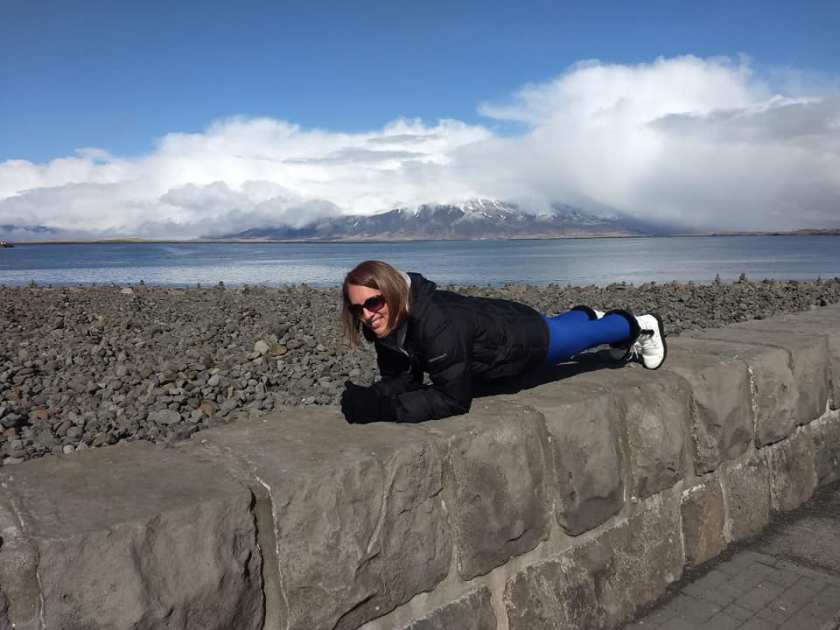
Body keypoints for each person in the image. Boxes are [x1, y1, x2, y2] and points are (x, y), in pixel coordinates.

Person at [340, 260, 666, 424]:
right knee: (565, 329)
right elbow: (404, 377)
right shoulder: (388, 321)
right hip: (502, 321)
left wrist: (385, 410)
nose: (366, 315)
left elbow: (454, 400)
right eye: (357, 309)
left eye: (374, 302)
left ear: (393, 292)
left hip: (526, 342)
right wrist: (375, 395)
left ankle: (640, 327)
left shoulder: (437, 322)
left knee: (584, 340)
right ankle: (586, 314)